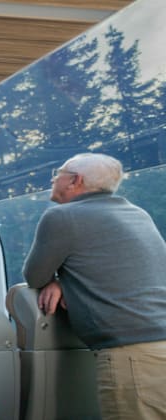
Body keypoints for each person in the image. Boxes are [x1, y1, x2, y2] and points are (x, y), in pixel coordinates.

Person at [23, 153, 166, 419]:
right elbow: (118, 268)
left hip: (131, 355)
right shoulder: (137, 214)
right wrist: (67, 280)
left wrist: (56, 280)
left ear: (74, 181)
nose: (54, 178)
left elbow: (34, 276)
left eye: (59, 172)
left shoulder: (62, 217)